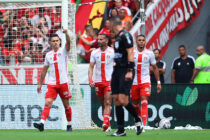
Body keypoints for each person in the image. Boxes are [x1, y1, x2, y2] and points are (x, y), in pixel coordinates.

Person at [108, 16, 143, 136]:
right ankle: (121, 130)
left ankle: (137, 119)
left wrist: (130, 70)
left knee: (123, 100)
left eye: (108, 24)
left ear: (113, 24)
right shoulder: (117, 37)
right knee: (116, 100)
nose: (107, 27)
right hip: (117, 70)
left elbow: (131, 51)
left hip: (125, 70)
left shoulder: (125, 35)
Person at [33, 28, 72, 132]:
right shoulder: (48, 55)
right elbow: (44, 71)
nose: (55, 43)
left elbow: (69, 42)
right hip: (52, 84)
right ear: (50, 43)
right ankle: (41, 123)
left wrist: (66, 33)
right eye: (53, 41)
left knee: (66, 105)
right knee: (48, 103)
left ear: (60, 41)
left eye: (57, 41)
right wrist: (40, 84)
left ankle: (69, 125)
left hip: (63, 83)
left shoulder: (64, 50)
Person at [131, 35, 161, 131]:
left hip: (145, 81)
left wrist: (158, 82)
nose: (141, 42)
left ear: (145, 42)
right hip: (134, 82)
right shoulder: (131, 52)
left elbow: (155, 68)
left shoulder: (150, 53)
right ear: (136, 41)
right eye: (139, 40)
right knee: (135, 104)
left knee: (144, 101)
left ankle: (143, 125)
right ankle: (139, 121)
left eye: (143, 40)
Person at [88, 34, 114, 131]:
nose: (98, 41)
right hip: (98, 82)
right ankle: (108, 125)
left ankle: (104, 123)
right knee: (103, 104)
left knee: (108, 102)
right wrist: (90, 79)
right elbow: (91, 67)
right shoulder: (94, 53)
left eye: (101, 39)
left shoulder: (112, 52)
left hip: (109, 82)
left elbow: (118, 65)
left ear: (106, 41)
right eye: (98, 39)